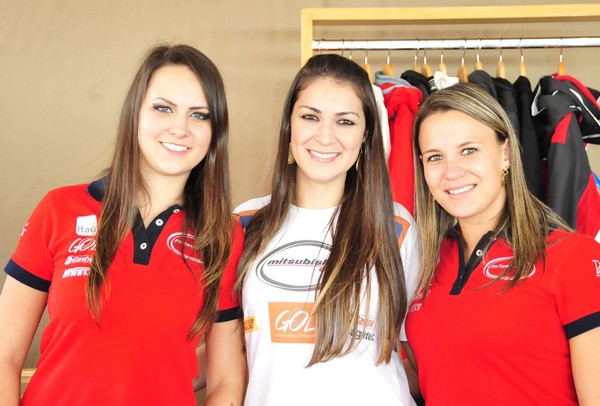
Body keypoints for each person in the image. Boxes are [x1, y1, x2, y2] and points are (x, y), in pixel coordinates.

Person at [0, 44, 246, 405]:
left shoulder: (223, 236)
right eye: (163, 108)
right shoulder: (59, 209)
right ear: (135, 113)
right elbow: (4, 353)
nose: (180, 128)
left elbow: (227, 380)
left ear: (215, 132)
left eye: (199, 115)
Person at [233, 54, 420, 406]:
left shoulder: (396, 227)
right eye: (310, 117)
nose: (325, 136)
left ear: (365, 135)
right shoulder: (245, 222)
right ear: (289, 126)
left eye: (345, 121)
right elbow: (224, 353)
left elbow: (425, 358)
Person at [405, 82, 600, 405]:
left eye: (469, 150)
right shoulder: (423, 263)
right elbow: (432, 375)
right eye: (435, 157)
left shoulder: (573, 256)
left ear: (505, 153)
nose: (451, 172)